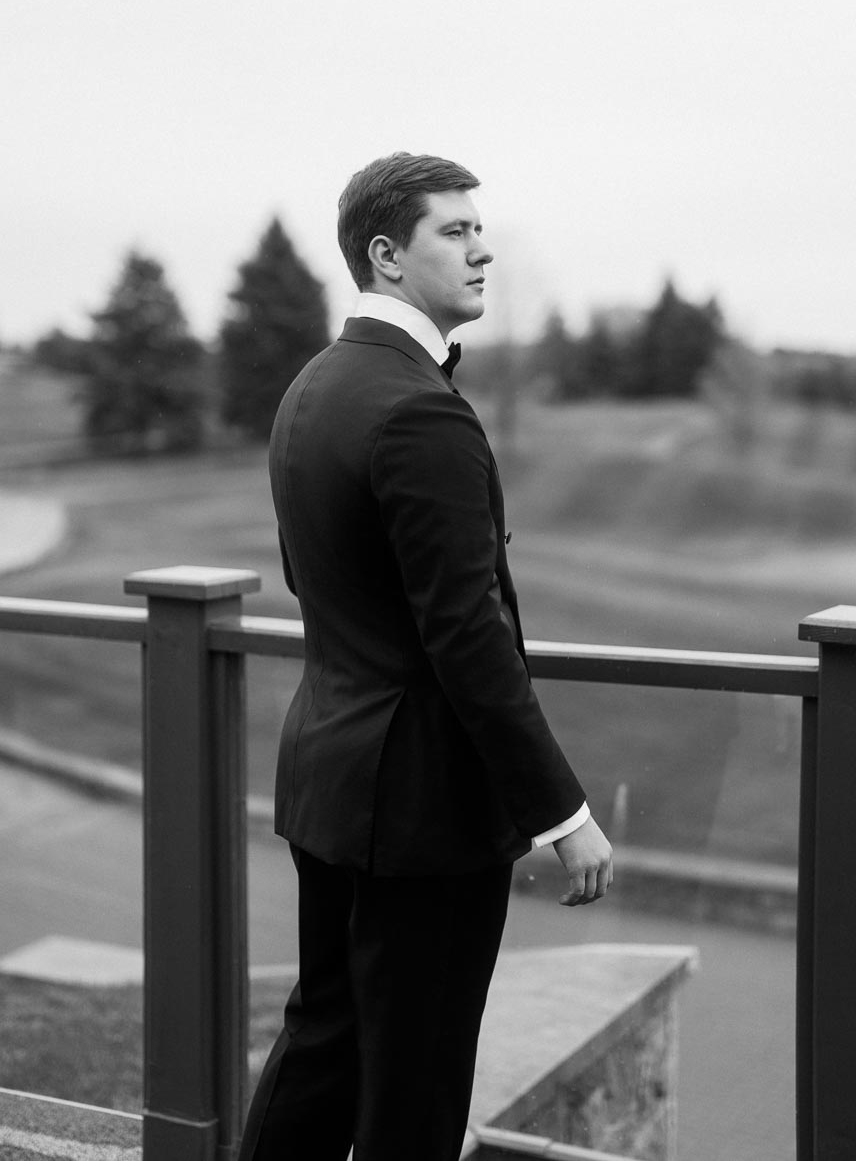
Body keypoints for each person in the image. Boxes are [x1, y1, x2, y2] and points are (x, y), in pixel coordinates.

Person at [238, 152, 613, 1161]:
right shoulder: (417, 410)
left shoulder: (313, 387)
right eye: (455, 230)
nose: (484, 246)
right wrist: (564, 813)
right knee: (417, 1078)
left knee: (327, 1044)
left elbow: (314, 582)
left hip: (332, 773)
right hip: (421, 811)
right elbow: (468, 636)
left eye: (479, 227)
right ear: (387, 256)